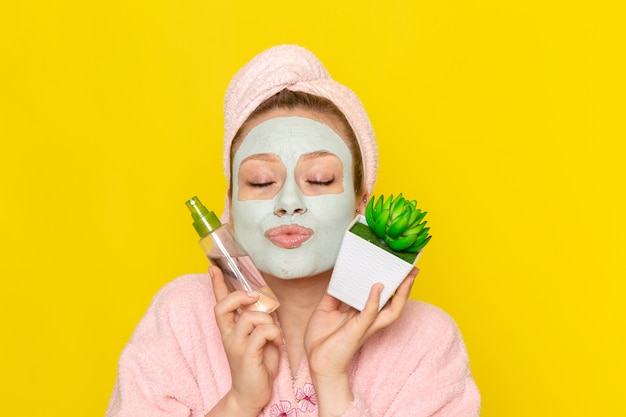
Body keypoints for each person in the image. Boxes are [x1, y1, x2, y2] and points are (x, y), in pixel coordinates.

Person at [105, 44, 481, 417]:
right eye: (260, 181)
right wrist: (239, 402)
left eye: (319, 180)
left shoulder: (425, 341)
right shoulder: (180, 316)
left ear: (360, 202)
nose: (288, 201)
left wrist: (331, 379)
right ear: (230, 206)